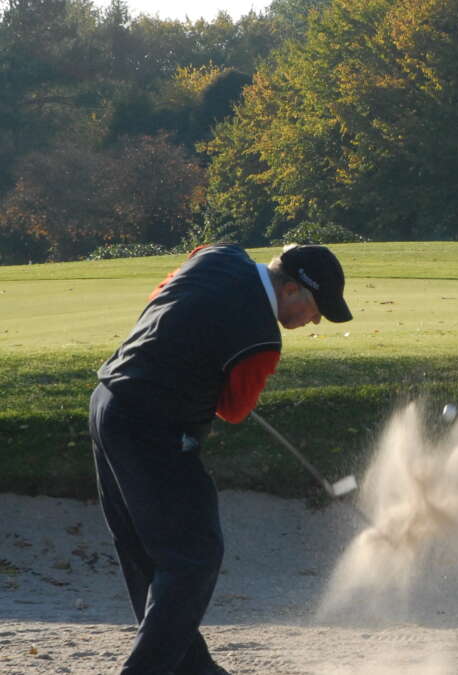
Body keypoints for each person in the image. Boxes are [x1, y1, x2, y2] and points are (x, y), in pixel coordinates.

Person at [88, 243, 352, 674]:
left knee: (147, 553)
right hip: (154, 428)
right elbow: (233, 409)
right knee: (195, 556)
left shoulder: (218, 255)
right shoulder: (262, 339)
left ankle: (192, 669)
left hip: (107, 404)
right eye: (316, 308)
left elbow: (163, 292)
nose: (316, 320)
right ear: (290, 290)